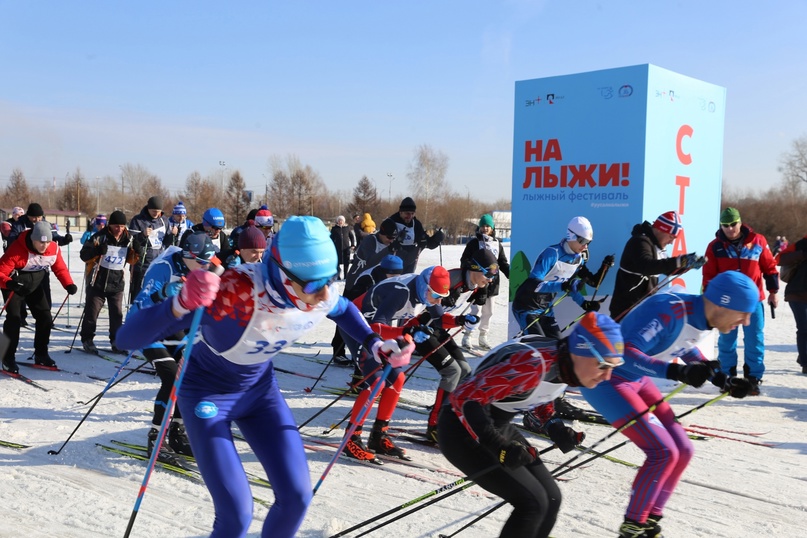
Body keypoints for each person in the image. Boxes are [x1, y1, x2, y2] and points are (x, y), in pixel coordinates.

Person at [116, 216, 413, 538]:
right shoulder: (234, 292)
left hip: (259, 393)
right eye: (313, 285)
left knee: (297, 497)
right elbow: (127, 339)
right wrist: (178, 304)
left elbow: (341, 308)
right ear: (282, 272)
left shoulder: (317, 287)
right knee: (236, 516)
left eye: (329, 279)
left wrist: (375, 344)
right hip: (207, 395)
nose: (323, 293)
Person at [581, 271, 756, 537]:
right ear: (722, 303)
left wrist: (722, 380)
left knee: (683, 449)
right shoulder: (668, 311)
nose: (746, 321)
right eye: (743, 313)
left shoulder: (701, 317)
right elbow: (625, 353)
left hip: (636, 381)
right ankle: (633, 526)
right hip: (607, 380)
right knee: (663, 452)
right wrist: (677, 373)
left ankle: (649, 521)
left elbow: (682, 346)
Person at [438, 312, 624, 538]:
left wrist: (554, 425)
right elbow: (465, 399)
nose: (607, 376)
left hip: (496, 423)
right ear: (582, 350)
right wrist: (499, 446)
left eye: (613, 367)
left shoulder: (565, 363)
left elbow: (533, 393)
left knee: (551, 498)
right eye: (603, 365)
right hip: (463, 430)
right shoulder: (534, 364)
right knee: (532, 503)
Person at [341, 265, 479, 456]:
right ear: (425, 287)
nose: (438, 301)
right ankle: (351, 438)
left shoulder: (426, 292)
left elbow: (438, 319)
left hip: (380, 329)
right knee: (377, 380)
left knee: (397, 378)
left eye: (441, 297)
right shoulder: (401, 293)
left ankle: (379, 435)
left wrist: (460, 320)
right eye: (436, 296)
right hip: (358, 326)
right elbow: (375, 327)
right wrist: (406, 331)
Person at [702, 207, 779, 395]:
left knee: (754, 340)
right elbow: (709, 276)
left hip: (753, 301)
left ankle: (753, 378)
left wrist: (773, 291)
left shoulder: (758, 241)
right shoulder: (715, 246)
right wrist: (710, 301)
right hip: (727, 304)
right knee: (727, 341)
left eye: (733, 224)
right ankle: (727, 377)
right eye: (725, 225)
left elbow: (769, 267)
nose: (730, 229)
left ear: (740, 222)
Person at [512, 216, 614, 339]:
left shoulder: (578, 259)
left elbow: (571, 287)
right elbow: (533, 284)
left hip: (546, 309)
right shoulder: (552, 253)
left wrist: (584, 304)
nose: (585, 246)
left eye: (588, 242)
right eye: (582, 241)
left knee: (557, 347)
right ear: (571, 236)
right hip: (526, 306)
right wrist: (563, 286)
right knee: (538, 347)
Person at [0, 222, 77, 373]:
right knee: (14, 319)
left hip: (34, 285)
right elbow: (0, 272)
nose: (44, 246)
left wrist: (68, 284)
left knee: (45, 317)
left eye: (47, 242)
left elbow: (59, 267)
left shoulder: (53, 249)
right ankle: (7, 357)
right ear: (33, 239)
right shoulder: (17, 249)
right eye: (41, 242)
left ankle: (41, 354)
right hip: (14, 286)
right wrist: (10, 284)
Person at [610, 211, 705, 320]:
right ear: (661, 229)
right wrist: (680, 261)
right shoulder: (639, 242)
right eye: (671, 237)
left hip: (643, 309)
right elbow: (647, 266)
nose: (671, 242)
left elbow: (667, 268)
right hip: (626, 310)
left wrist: (688, 265)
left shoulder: (657, 247)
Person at [79, 211, 134, 355]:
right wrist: (96, 250)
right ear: (110, 225)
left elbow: (134, 259)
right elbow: (83, 255)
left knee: (117, 314)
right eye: (116, 226)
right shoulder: (99, 237)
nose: (119, 229)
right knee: (92, 313)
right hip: (97, 281)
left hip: (117, 283)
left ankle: (117, 341)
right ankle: (87, 339)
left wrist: (136, 252)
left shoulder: (128, 238)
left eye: (122, 226)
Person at [459, 213, 511, 350]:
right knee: (475, 309)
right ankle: (467, 335)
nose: (485, 228)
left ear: (492, 228)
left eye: (488, 226)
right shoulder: (474, 243)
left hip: (492, 282)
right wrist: (472, 267)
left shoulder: (497, 244)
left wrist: (511, 274)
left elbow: (502, 262)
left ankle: (483, 336)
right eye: (483, 226)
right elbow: (464, 260)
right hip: (477, 281)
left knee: (489, 311)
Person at [129, 196, 175, 303]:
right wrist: (143, 235)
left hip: (158, 263)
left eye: (158, 211)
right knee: (139, 294)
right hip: (142, 264)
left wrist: (173, 235)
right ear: (148, 208)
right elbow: (131, 242)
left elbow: (167, 243)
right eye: (153, 211)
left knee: (156, 294)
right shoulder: (138, 220)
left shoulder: (164, 220)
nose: (156, 214)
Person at [387, 197, 445, 273]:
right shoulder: (390, 223)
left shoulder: (416, 224)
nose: (410, 216)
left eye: (412, 213)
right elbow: (381, 242)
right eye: (407, 213)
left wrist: (436, 239)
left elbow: (426, 242)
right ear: (400, 212)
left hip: (410, 263)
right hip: (391, 265)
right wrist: (394, 243)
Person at [777, 234, 807, 374]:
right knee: (804, 328)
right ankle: (806, 363)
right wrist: (801, 254)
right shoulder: (802, 244)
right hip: (797, 294)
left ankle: (803, 357)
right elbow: (779, 259)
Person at [344, 217, 399, 291]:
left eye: (394, 238)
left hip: (374, 283)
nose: (391, 241)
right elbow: (370, 262)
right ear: (381, 234)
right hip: (357, 281)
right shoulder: (370, 240)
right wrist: (389, 249)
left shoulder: (391, 244)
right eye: (389, 237)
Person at [330, 215, 356, 280]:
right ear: (337, 221)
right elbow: (331, 238)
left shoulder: (347, 228)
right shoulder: (334, 229)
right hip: (337, 248)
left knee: (346, 262)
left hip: (346, 248)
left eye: (341, 220)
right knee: (337, 263)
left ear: (344, 221)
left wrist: (352, 245)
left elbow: (352, 237)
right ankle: (338, 275)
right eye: (339, 220)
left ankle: (346, 275)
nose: (340, 222)